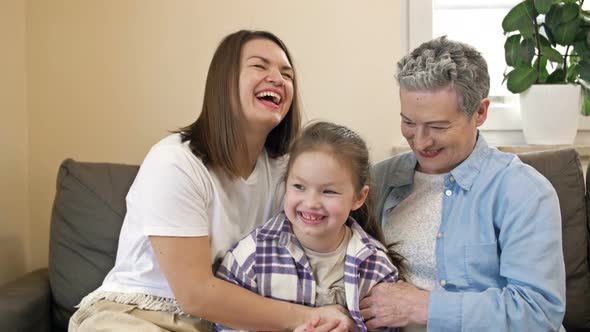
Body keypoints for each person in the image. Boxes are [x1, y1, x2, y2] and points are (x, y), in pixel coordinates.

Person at [69, 30, 354, 332]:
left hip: (224, 324)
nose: (278, 79)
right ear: (224, 82)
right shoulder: (175, 162)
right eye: (260, 66)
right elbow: (195, 295)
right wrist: (309, 316)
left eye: (287, 74)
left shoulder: (287, 172)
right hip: (134, 315)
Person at [359, 36, 566, 331]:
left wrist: (424, 307)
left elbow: (537, 313)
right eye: (408, 122)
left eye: (438, 126)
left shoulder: (524, 192)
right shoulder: (378, 182)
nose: (420, 141)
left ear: (480, 112)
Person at [214, 121, 402, 332]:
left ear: (358, 197)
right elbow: (224, 322)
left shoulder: (376, 268)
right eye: (299, 187)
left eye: (329, 191)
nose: (311, 202)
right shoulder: (252, 256)